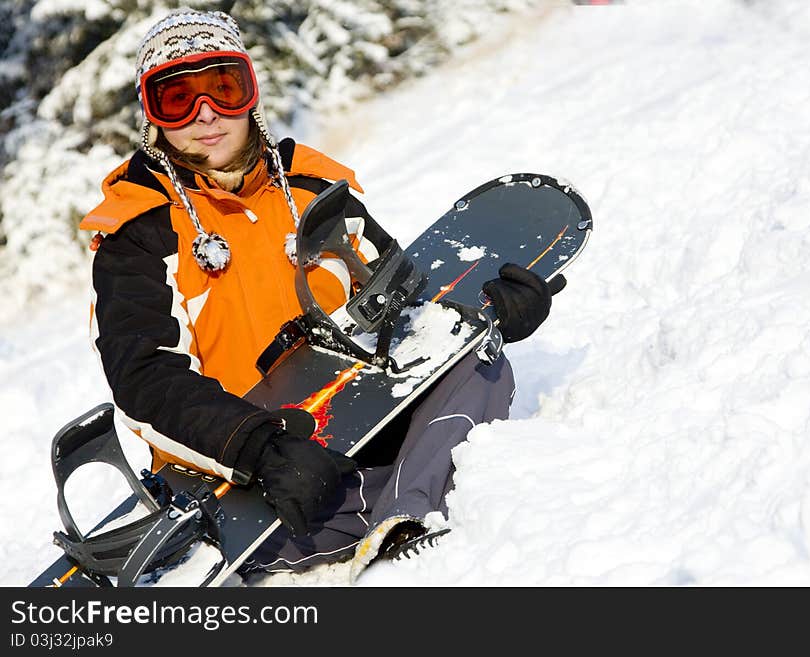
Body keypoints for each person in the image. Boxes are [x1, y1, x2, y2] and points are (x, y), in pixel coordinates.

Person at [81, 8, 558, 580]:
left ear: (249, 93)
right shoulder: (138, 232)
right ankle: (372, 512)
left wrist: (486, 312)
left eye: (224, 88)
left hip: (359, 416)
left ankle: (406, 522)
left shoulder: (309, 187)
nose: (205, 115)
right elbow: (145, 379)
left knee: (482, 366)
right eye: (177, 98)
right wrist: (256, 447)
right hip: (249, 468)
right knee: (305, 504)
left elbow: (400, 297)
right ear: (151, 114)